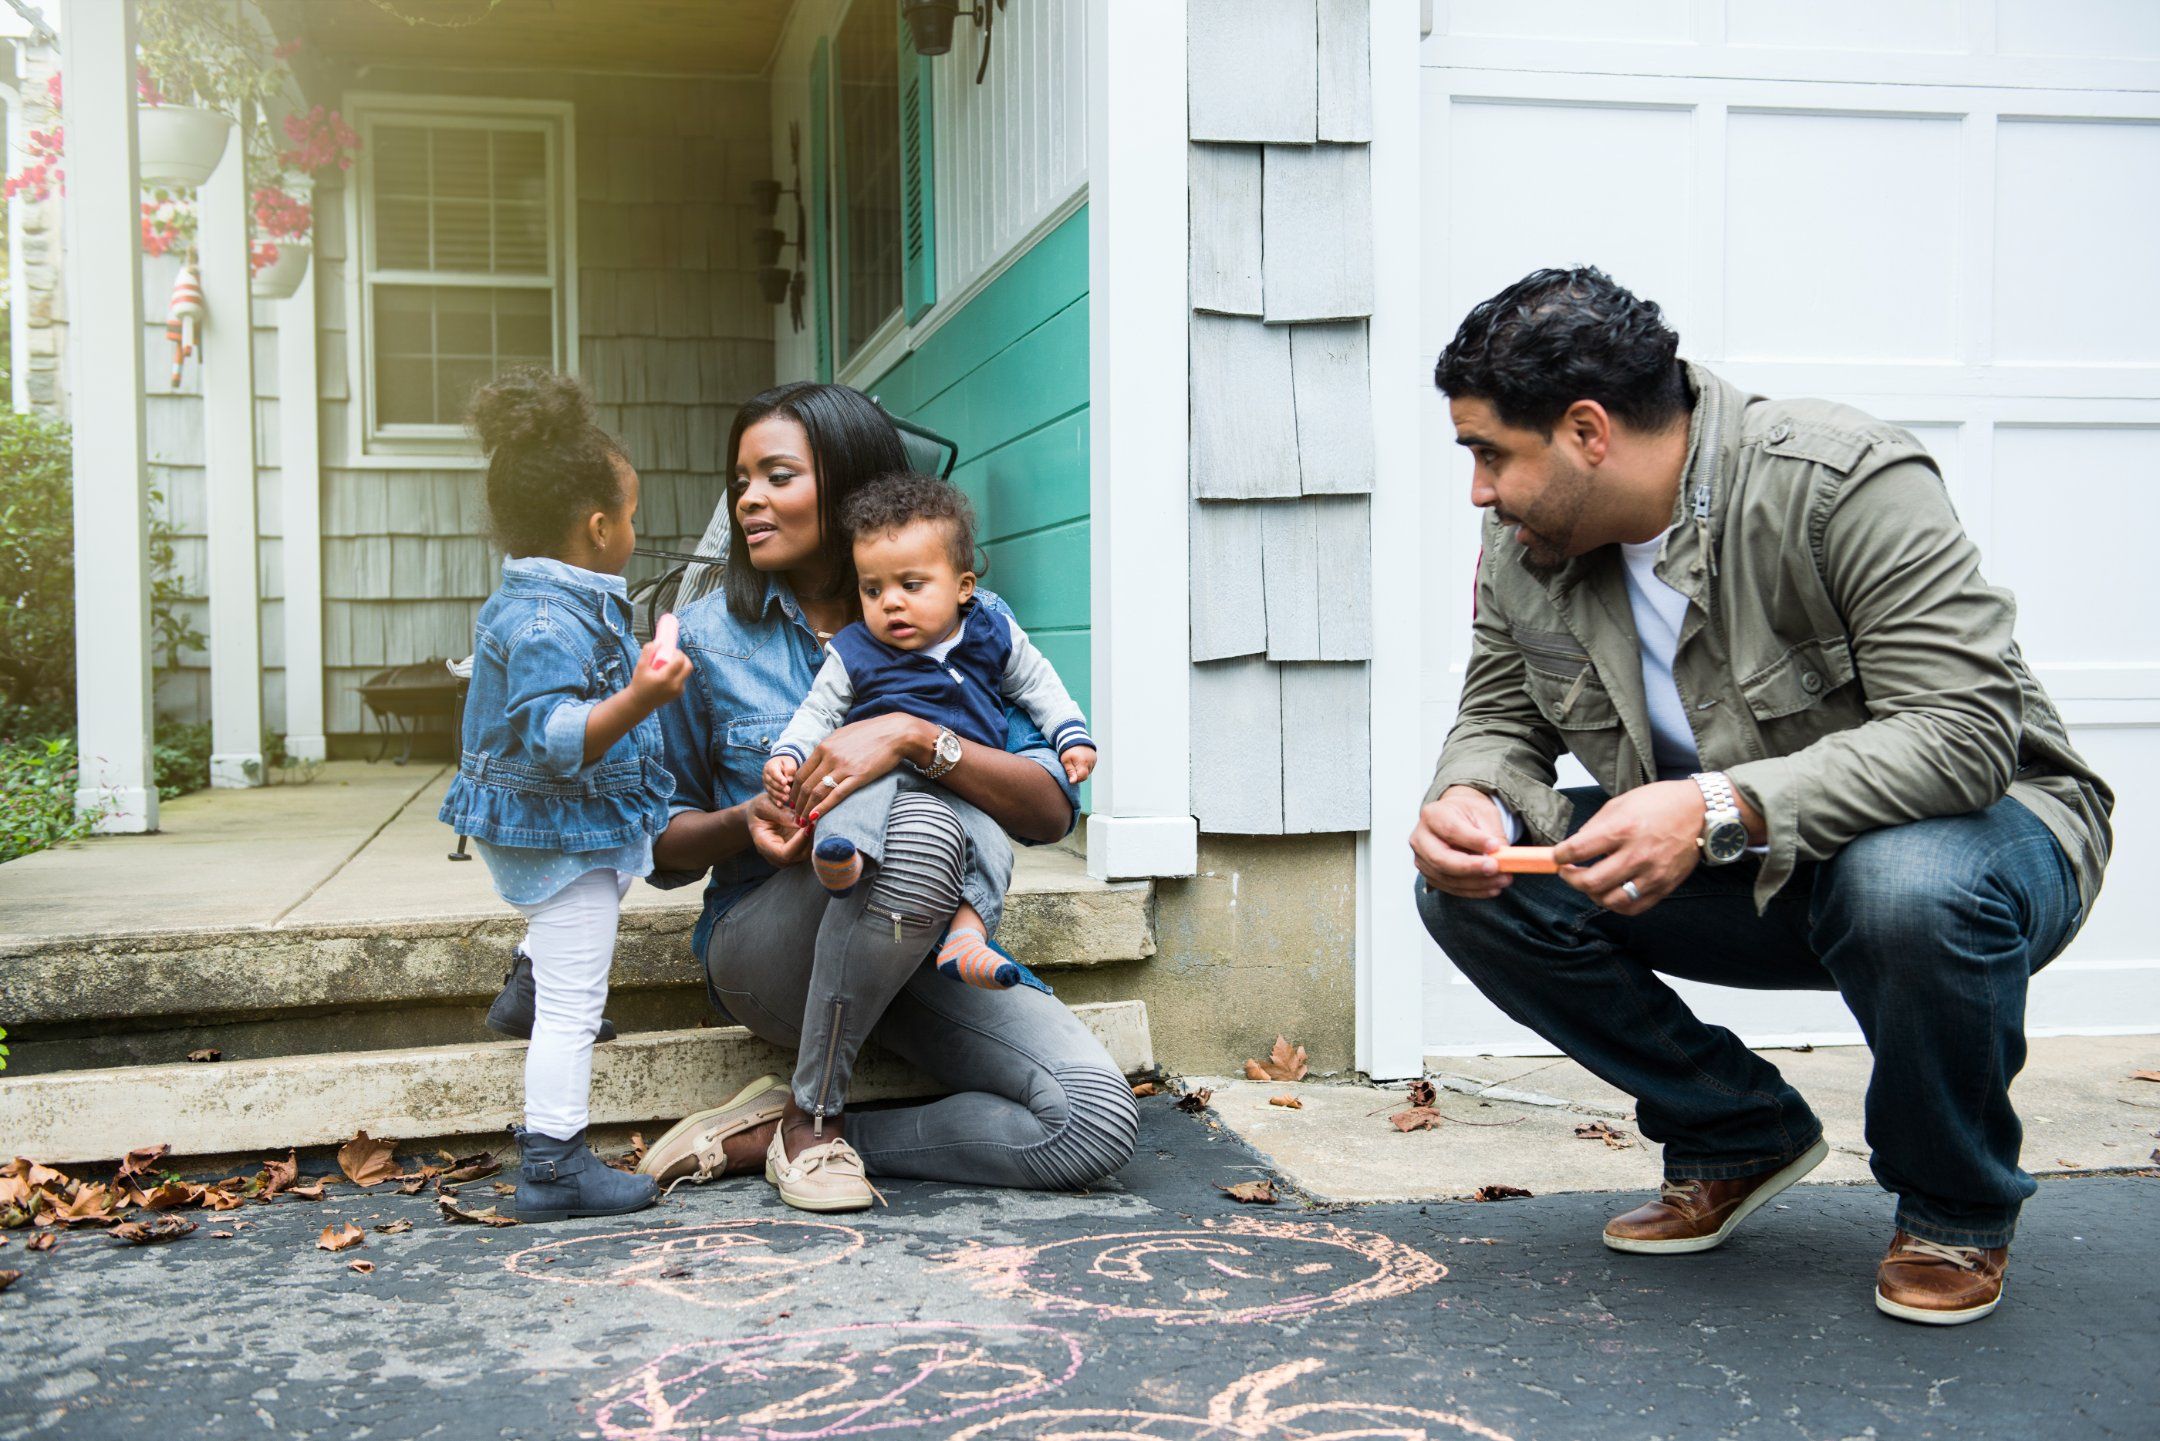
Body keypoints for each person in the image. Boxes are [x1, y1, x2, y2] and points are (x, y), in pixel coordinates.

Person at [1410, 268, 2112, 1326]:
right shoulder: (1526, 543)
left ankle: (1954, 1205)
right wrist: (1473, 797)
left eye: (1490, 453)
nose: (1478, 490)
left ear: (1588, 431)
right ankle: (1735, 1129)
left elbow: (1965, 738)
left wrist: (1709, 806)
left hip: (1980, 849)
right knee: (1476, 890)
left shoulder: (1841, 480)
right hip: (1742, 861)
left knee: (1903, 884)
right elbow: (1502, 718)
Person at [635, 381, 1138, 1214]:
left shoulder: (970, 618)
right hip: (774, 940)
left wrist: (913, 735)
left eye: (777, 476)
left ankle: (792, 1132)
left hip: (921, 944)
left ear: (850, 485)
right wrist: (743, 819)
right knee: (921, 823)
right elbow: (656, 843)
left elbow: (1050, 810)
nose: (747, 500)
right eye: (740, 482)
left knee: (1092, 1121)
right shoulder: (708, 641)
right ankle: (812, 1117)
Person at [437, 368, 691, 1223]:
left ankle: (527, 987)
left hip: (572, 820)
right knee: (581, 1001)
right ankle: (553, 1164)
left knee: (626, 862)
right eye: (631, 517)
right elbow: (552, 740)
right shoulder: (547, 620)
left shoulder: (558, 595)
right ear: (596, 526)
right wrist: (642, 698)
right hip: (552, 821)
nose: (634, 530)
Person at [765, 470, 1096, 995]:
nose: (890, 602)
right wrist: (788, 752)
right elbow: (819, 712)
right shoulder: (855, 649)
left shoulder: (990, 632)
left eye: (910, 585)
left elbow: (1038, 683)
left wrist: (1071, 735)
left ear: (964, 587)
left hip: (961, 785)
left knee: (992, 849)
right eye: (872, 589)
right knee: (849, 801)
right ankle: (843, 860)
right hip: (886, 783)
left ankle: (968, 937)